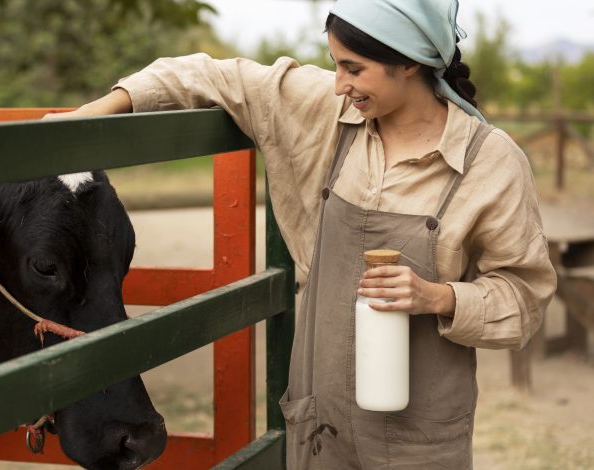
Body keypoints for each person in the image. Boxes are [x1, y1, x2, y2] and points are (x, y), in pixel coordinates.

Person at [45, 0, 556, 468]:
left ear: (411, 62)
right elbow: (206, 75)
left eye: (354, 68)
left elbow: (524, 297)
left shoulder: (491, 162)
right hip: (320, 427)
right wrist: (87, 120)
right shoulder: (324, 116)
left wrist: (439, 296)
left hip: (421, 439)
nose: (339, 84)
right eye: (336, 64)